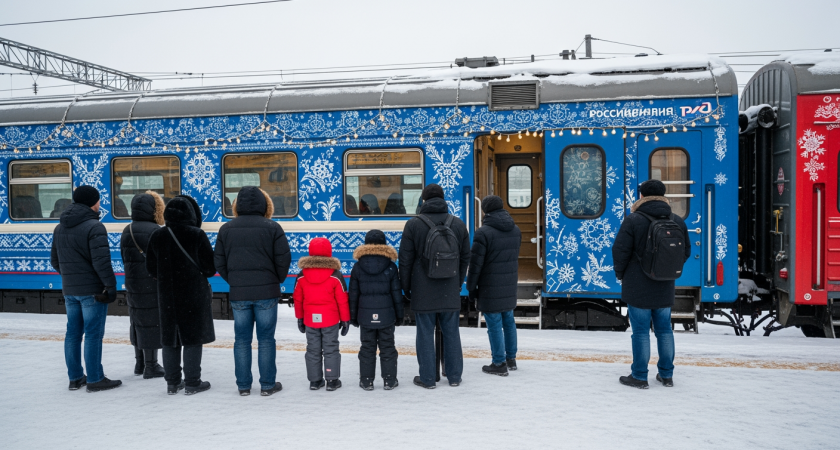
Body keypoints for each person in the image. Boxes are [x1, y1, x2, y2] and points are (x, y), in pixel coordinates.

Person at [612, 180, 690, 389]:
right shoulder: (677, 220)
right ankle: (666, 375)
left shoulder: (634, 220)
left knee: (640, 332)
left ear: (641, 197)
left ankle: (639, 376)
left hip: (638, 285)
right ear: (663, 196)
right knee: (664, 330)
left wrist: (622, 274)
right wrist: (665, 270)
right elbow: (686, 252)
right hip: (665, 284)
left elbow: (620, 251)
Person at [214, 186, 291, 397]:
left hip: (239, 294)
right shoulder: (273, 227)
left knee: (241, 340)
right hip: (267, 292)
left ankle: (243, 386)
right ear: (265, 205)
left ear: (237, 205)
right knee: (266, 339)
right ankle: (267, 385)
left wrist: (235, 281)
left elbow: (219, 262)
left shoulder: (226, 229)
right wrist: (275, 280)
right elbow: (284, 260)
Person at [398, 184, 470, 389]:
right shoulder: (457, 223)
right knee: (452, 332)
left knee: (425, 334)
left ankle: (428, 379)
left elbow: (405, 259)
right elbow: (465, 256)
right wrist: (457, 282)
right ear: (443, 199)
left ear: (423, 200)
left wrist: (406, 287)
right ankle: (454, 377)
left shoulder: (413, 224)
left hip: (423, 288)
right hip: (449, 288)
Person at [51, 185, 121, 393]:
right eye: (98, 201)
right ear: (92, 203)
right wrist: (110, 285)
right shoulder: (94, 227)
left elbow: (55, 261)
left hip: (70, 290)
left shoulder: (60, 227)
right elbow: (102, 262)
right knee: (92, 334)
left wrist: (71, 278)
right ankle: (95, 379)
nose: (99, 204)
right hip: (93, 291)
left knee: (72, 334)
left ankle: (75, 378)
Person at [145, 196, 216, 395]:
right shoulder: (196, 235)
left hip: (167, 295)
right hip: (193, 294)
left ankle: (172, 383)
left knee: (170, 338)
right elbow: (210, 268)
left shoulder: (158, 236)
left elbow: (150, 268)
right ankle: (193, 382)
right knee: (192, 337)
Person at [466, 195, 522, 377]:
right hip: (508, 284)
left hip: (490, 286)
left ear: (485, 211)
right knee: (509, 321)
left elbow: (475, 265)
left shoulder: (483, 233)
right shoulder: (515, 230)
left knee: (495, 325)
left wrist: (471, 288)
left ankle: (499, 363)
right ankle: (511, 359)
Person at [348, 229, 403, 391]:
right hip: (386, 316)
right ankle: (389, 380)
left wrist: (353, 317)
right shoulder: (391, 267)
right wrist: (399, 316)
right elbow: (396, 294)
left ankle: (366, 381)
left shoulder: (357, 267)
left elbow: (353, 295)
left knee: (367, 347)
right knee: (387, 347)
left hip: (365, 316)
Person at [119, 191, 166, 379]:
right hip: (151, 282)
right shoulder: (156, 231)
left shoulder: (127, 230)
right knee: (152, 322)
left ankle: (139, 363)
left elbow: (124, 257)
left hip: (132, 283)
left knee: (137, 320)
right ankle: (151, 365)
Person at [293, 238, 350, 391]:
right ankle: (331, 381)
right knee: (331, 348)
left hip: (310, 319)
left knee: (312, 349)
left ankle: (315, 381)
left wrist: (300, 317)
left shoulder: (301, 275)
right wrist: (345, 320)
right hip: (330, 319)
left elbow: (298, 299)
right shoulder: (335, 275)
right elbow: (343, 300)